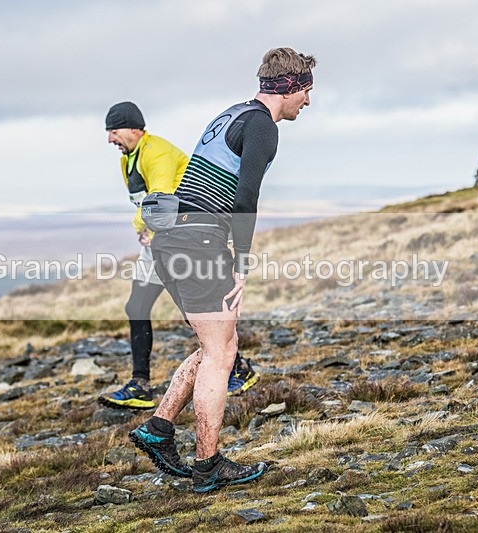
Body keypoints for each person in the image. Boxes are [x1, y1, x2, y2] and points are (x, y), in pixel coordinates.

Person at [129, 48, 316, 491]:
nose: (307, 102)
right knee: (222, 354)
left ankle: (158, 430)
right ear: (289, 87)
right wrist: (241, 264)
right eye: (306, 92)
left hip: (170, 239)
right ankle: (207, 466)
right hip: (199, 240)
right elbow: (245, 198)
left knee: (216, 342)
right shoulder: (263, 126)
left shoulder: (231, 114)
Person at [98, 102, 259, 411]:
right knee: (138, 305)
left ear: (134, 129)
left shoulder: (155, 152)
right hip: (160, 240)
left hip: (180, 238)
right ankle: (140, 385)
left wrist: (140, 225)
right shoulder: (130, 157)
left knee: (192, 309)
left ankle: (236, 368)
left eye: (114, 132)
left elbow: (158, 195)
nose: (110, 140)